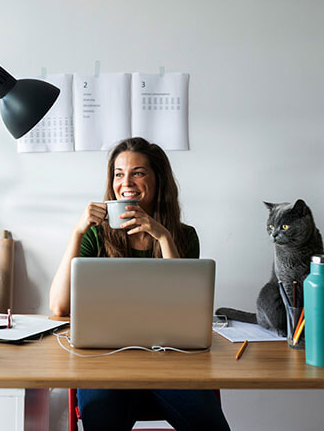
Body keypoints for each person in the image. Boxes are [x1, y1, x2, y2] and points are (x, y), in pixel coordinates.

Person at [49, 137, 230, 431]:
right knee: (101, 419)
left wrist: (164, 237)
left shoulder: (184, 236)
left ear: (158, 180)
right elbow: (58, 306)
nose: (126, 182)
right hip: (105, 364)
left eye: (138, 172)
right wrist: (77, 232)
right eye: (119, 173)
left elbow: (186, 309)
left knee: (212, 426)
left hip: (170, 363)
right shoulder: (96, 235)